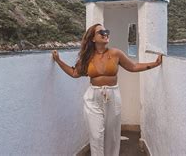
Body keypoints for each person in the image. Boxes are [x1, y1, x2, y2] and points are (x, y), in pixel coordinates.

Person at [52, 23, 163, 156]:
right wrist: (58, 61)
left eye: (106, 31)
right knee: (96, 135)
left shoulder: (116, 53)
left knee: (112, 134)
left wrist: (155, 64)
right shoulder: (87, 57)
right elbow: (74, 73)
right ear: (93, 38)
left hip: (113, 96)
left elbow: (133, 67)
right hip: (93, 98)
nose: (105, 34)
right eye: (101, 32)